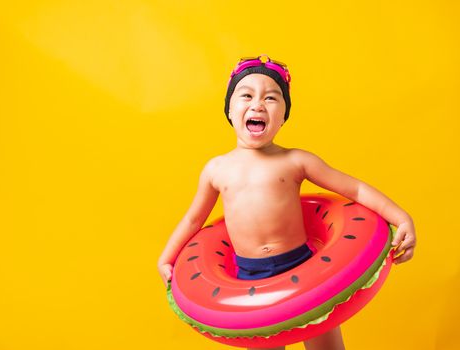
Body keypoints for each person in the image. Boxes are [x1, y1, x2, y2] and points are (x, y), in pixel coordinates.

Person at [157, 55, 416, 350]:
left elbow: (354, 189)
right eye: (246, 95)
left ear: (283, 116)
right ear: (229, 109)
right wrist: (167, 256)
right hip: (247, 279)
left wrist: (401, 217)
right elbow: (193, 219)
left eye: (271, 98)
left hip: (306, 266)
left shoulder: (296, 161)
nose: (258, 104)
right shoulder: (216, 170)